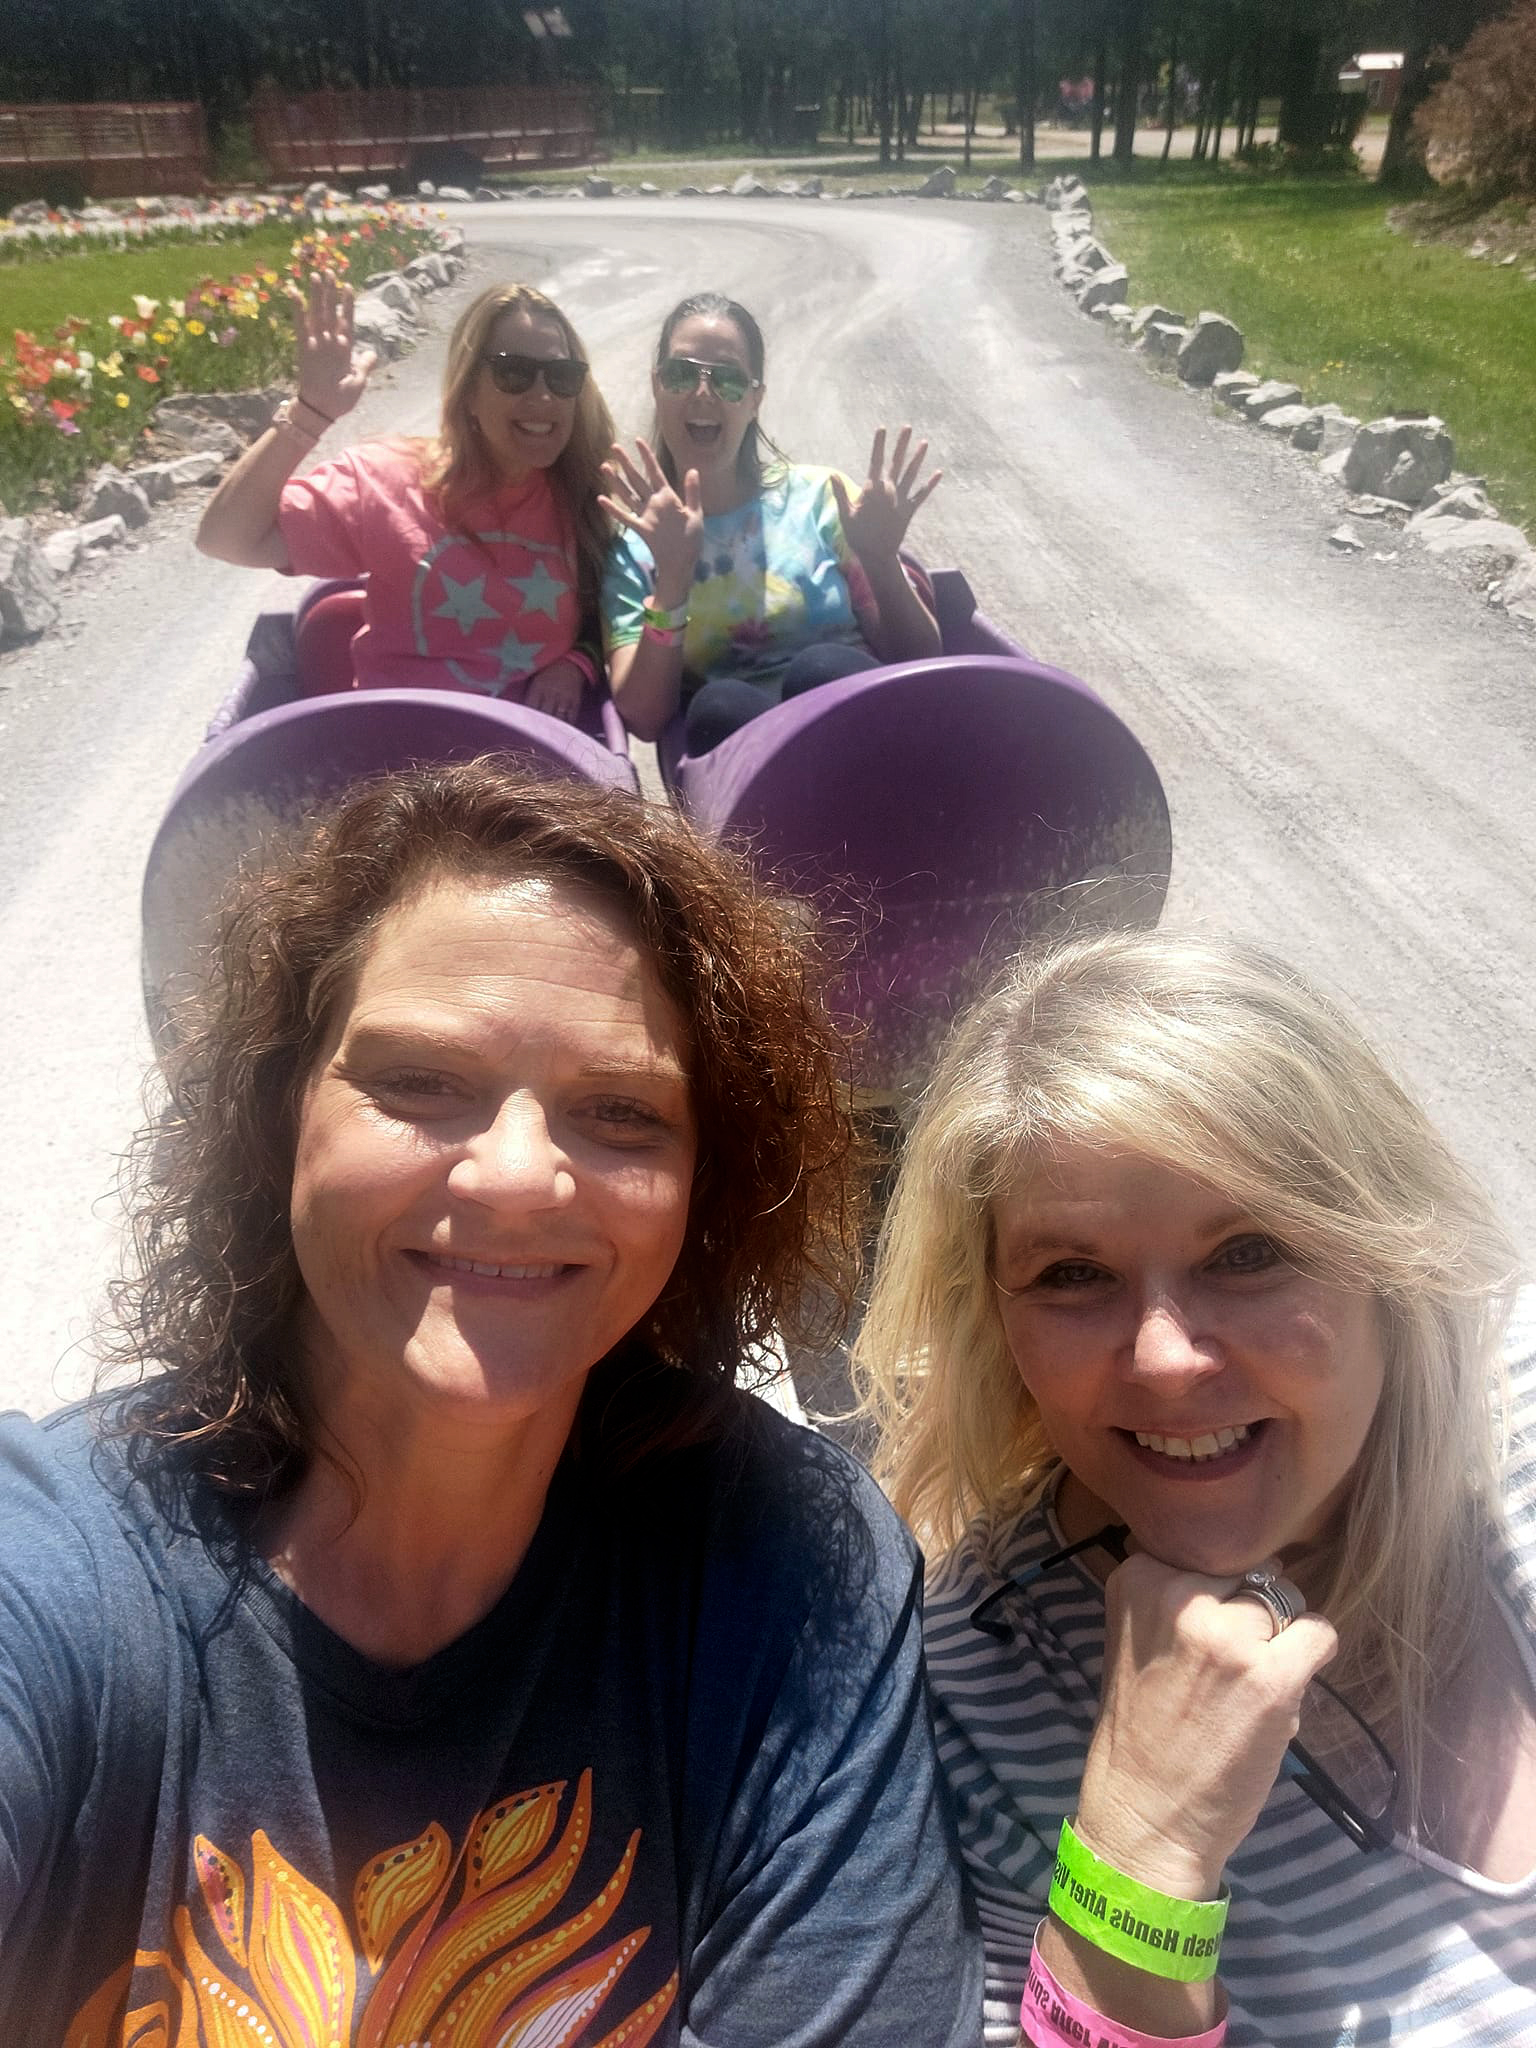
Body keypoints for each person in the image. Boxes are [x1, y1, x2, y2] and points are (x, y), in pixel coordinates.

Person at [0, 761, 984, 2045]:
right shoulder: (57, 1563)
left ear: (703, 1185)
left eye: (621, 1111)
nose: (520, 1177)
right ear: (281, 1113)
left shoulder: (788, 1570)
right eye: (417, 1080)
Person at [855, 930, 1536, 2047]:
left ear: (1383, 1246)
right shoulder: (973, 1704)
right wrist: (1141, 1845)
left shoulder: (1518, 1414)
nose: (1166, 1358)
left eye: (1249, 1250)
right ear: (996, 1323)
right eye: (1073, 1274)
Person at [196, 275, 613, 720]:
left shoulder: (583, 495)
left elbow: (608, 614)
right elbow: (225, 539)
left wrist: (578, 661)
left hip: (524, 752)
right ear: (468, 391)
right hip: (394, 746)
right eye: (515, 373)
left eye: (563, 377)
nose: (543, 395)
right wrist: (310, 413)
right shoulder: (387, 481)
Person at [599, 292, 944, 755]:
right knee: (720, 706)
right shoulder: (637, 548)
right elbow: (645, 717)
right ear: (657, 386)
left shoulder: (823, 500)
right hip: (750, 774)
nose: (703, 392)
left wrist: (881, 563)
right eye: (681, 374)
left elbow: (920, 660)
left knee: (821, 669)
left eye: (728, 380)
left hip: (870, 744)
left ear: (755, 399)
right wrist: (673, 581)